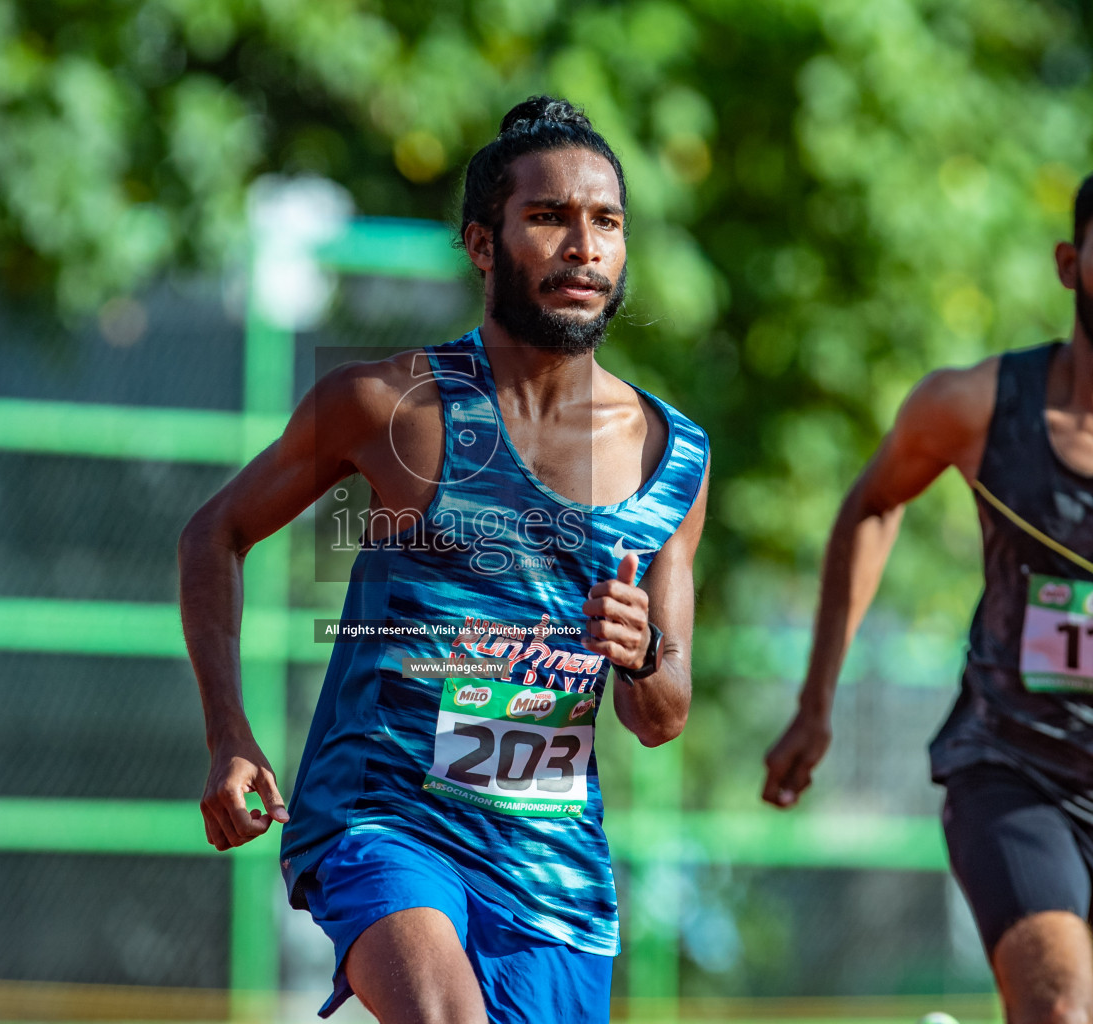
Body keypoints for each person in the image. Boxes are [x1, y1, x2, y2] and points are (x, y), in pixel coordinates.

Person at [179, 96, 709, 1023]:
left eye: (608, 223)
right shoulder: (391, 405)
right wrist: (229, 731)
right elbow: (214, 534)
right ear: (481, 242)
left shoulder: (674, 455)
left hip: (549, 861)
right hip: (382, 812)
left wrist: (642, 651)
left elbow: (661, 716)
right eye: (548, 217)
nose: (583, 247)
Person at [762, 160, 1093, 1024]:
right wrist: (816, 701)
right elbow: (871, 504)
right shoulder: (972, 404)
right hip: (1010, 765)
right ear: (1069, 262)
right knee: (1057, 1009)